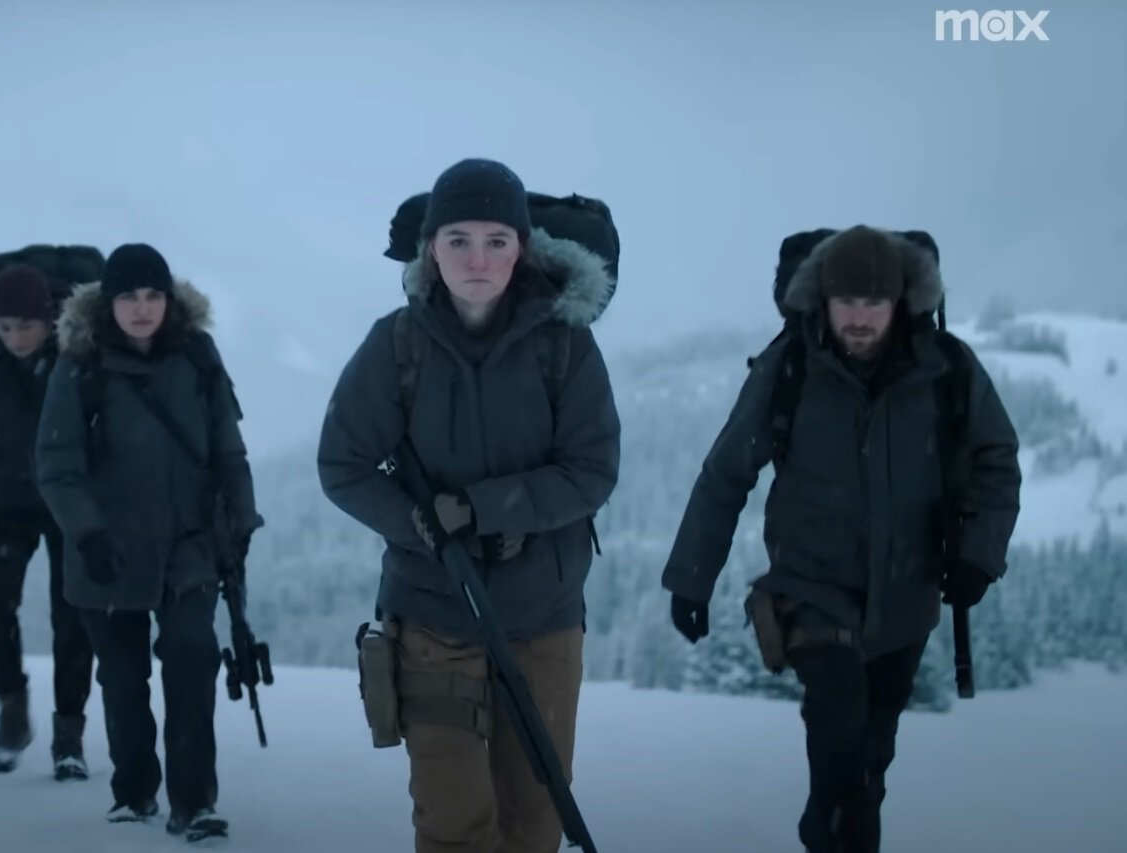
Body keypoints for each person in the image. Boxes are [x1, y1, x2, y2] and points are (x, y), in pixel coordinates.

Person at [660, 224, 1022, 852]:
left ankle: (831, 830)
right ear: (822, 300)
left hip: (907, 599)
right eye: (846, 301)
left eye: (873, 302)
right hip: (811, 593)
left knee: (868, 764)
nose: (859, 318)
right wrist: (691, 580)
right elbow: (726, 473)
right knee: (840, 746)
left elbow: (997, 460)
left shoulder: (947, 368)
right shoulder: (792, 365)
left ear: (899, 301)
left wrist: (978, 557)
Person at [316, 158, 622, 853]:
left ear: (522, 247)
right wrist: (421, 525)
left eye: (495, 240)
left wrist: (479, 508)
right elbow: (343, 465)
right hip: (432, 613)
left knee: (532, 820)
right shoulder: (396, 343)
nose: (477, 259)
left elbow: (591, 470)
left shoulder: (565, 345)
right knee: (452, 821)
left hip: (542, 618)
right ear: (431, 249)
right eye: (458, 240)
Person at [36, 242, 262, 843]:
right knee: (122, 676)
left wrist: (242, 521)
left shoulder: (197, 356)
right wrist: (86, 531)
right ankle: (133, 793)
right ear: (108, 303)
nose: (142, 308)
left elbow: (227, 447)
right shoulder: (80, 365)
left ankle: (194, 802)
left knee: (192, 662)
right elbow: (57, 465)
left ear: (169, 299)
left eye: (153, 295)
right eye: (130, 297)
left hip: (189, 543)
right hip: (106, 548)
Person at [0, 262, 95, 779]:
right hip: (0, 505)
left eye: (25, 326)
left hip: (65, 502)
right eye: (5, 327)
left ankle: (69, 733)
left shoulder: (74, 357)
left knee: (72, 617)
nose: (15, 337)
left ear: (48, 318)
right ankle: (12, 712)